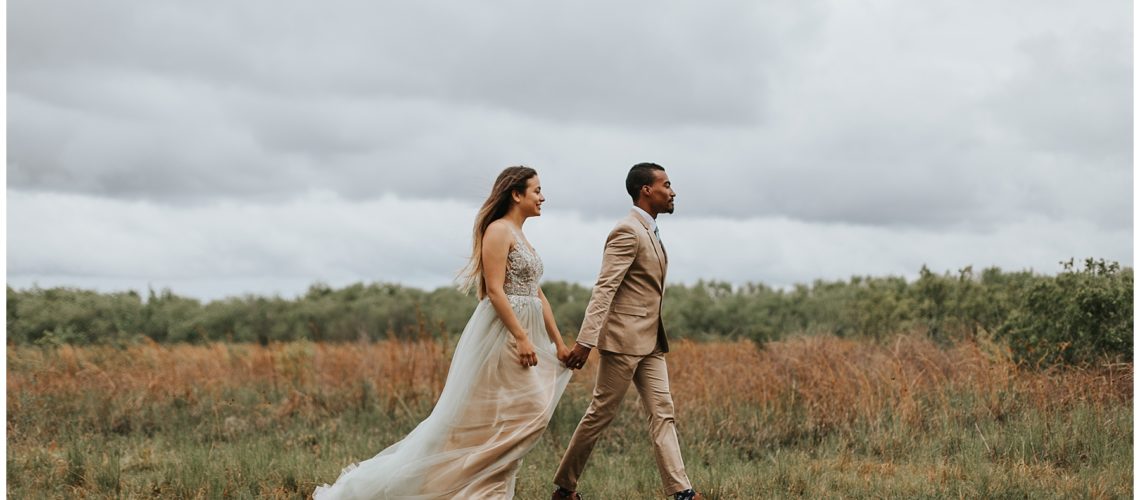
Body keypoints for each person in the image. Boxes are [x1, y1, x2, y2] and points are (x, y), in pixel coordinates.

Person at [314, 166, 572, 499]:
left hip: (529, 329)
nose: (542, 197)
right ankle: (463, 483)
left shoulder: (521, 236)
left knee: (523, 412)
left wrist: (558, 343)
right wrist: (520, 337)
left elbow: (537, 294)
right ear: (516, 194)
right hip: (504, 333)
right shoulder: (498, 231)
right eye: (536, 190)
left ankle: (484, 484)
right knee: (515, 412)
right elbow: (495, 290)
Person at [553, 163, 703, 500]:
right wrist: (586, 341)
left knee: (663, 413)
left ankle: (682, 492)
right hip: (622, 341)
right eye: (666, 185)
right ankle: (564, 488)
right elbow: (604, 288)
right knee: (600, 414)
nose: (673, 191)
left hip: (651, 342)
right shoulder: (627, 231)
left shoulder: (650, 230)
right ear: (646, 190)